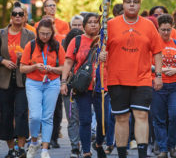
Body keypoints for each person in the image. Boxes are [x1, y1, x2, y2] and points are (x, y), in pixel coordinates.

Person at [105, 0, 163, 158]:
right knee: (121, 118)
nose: (131, 4)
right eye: (128, 1)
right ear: (122, 4)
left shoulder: (148, 25)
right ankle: (122, 154)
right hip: (117, 78)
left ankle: (142, 154)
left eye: (135, 2)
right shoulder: (110, 24)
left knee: (141, 115)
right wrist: (101, 54)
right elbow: (102, 48)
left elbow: (157, 51)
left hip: (142, 78)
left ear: (140, 5)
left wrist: (158, 75)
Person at [0, 1, 35, 158]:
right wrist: (3, 61)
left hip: (23, 80)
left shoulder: (30, 35)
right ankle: (11, 149)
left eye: (21, 14)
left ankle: (21, 149)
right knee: (6, 115)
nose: (18, 17)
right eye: (15, 14)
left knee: (21, 113)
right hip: (4, 80)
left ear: (25, 17)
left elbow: (35, 57)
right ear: (10, 17)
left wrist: (25, 57)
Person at [61, 13, 110, 158]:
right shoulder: (76, 41)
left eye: (96, 22)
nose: (94, 25)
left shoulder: (105, 41)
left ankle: (99, 143)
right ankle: (87, 151)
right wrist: (63, 82)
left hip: (102, 85)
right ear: (84, 26)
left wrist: (104, 55)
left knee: (104, 122)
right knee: (85, 120)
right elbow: (68, 62)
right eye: (90, 22)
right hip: (83, 87)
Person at [20, 19, 66, 158]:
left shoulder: (57, 45)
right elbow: (22, 68)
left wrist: (52, 69)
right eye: (42, 33)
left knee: (47, 117)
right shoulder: (31, 45)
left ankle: (45, 149)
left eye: (47, 34)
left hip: (52, 82)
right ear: (37, 33)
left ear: (52, 33)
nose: (45, 36)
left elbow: (64, 68)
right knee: (35, 116)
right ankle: (34, 142)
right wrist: (34, 67)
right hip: (34, 83)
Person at [151, 14, 176, 158]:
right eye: (163, 30)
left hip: (175, 85)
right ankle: (163, 149)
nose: (166, 33)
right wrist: (159, 70)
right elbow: (147, 64)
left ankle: (172, 145)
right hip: (158, 86)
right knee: (159, 118)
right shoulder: (153, 45)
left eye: (168, 29)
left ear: (172, 28)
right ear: (158, 29)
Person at [61, 28, 85, 157]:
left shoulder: (88, 49)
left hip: (85, 87)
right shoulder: (63, 52)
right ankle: (75, 146)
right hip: (70, 87)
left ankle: (83, 145)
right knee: (72, 118)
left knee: (83, 118)